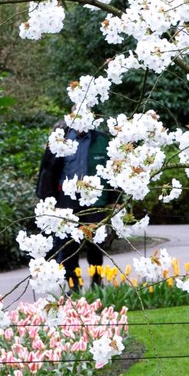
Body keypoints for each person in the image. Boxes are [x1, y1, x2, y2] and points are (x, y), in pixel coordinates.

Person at [36, 121, 112, 288]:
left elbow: (113, 168)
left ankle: (97, 282)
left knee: (95, 242)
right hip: (66, 199)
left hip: (95, 199)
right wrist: (48, 199)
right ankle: (73, 284)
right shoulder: (60, 140)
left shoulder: (101, 139)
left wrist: (115, 199)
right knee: (68, 245)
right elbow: (48, 169)